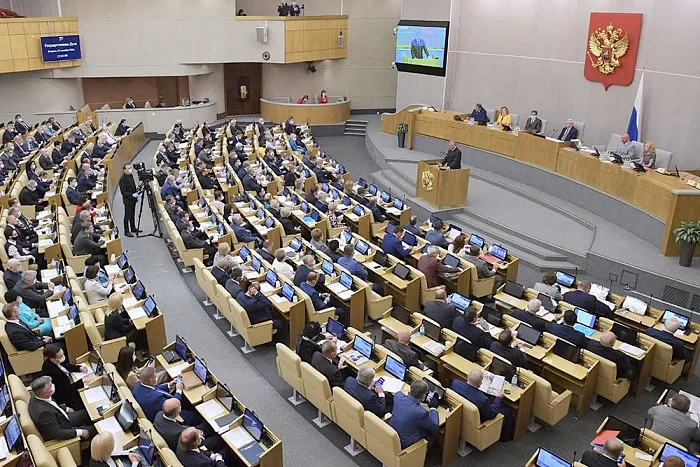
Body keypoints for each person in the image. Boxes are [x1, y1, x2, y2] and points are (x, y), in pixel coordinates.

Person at [451, 369, 515, 441]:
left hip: (463, 414)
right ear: (480, 383)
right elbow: (492, 414)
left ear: (467, 376)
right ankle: (505, 437)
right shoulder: (483, 400)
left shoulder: (455, 383)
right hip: (480, 418)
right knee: (509, 410)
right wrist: (498, 398)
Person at [28, 376, 95, 442]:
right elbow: (57, 433)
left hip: (62, 417)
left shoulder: (37, 395)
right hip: (65, 429)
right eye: (51, 386)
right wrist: (81, 432)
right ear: (46, 393)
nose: (53, 385)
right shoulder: (44, 414)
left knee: (88, 412)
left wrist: (66, 408)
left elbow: (52, 405)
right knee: (94, 429)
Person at [154, 398, 224, 453]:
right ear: (176, 414)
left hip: (185, 429)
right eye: (180, 407)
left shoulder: (159, 414)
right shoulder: (178, 434)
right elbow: (192, 442)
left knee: (207, 426)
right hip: (190, 445)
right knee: (217, 440)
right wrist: (200, 436)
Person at [133, 367, 198, 424]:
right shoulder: (155, 399)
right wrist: (179, 390)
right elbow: (172, 405)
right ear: (151, 380)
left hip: (164, 403)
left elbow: (155, 388)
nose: (156, 377)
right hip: (171, 414)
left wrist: (169, 385)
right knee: (195, 416)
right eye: (155, 376)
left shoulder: (139, 384)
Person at [389, 380, 440, 449]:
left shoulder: (398, 397)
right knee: (432, 436)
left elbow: (402, 394)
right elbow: (435, 426)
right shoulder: (421, 413)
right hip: (406, 443)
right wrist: (433, 408)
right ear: (423, 397)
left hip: (392, 433)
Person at [41, 344, 88, 409]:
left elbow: (65, 365)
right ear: (53, 359)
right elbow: (67, 389)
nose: (63, 357)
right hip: (64, 396)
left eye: (63, 354)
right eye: (61, 356)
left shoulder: (54, 361)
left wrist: (79, 368)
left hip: (68, 384)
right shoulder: (52, 371)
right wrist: (82, 381)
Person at [119, 163, 140, 237]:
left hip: (133, 199)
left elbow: (133, 186)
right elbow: (123, 192)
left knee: (132, 214)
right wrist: (132, 195)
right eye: (128, 168)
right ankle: (126, 231)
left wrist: (136, 193)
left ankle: (133, 228)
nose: (130, 169)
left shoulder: (131, 175)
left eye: (130, 168)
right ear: (124, 170)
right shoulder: (122, 179)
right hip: (128, 200)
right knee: (127, 215)